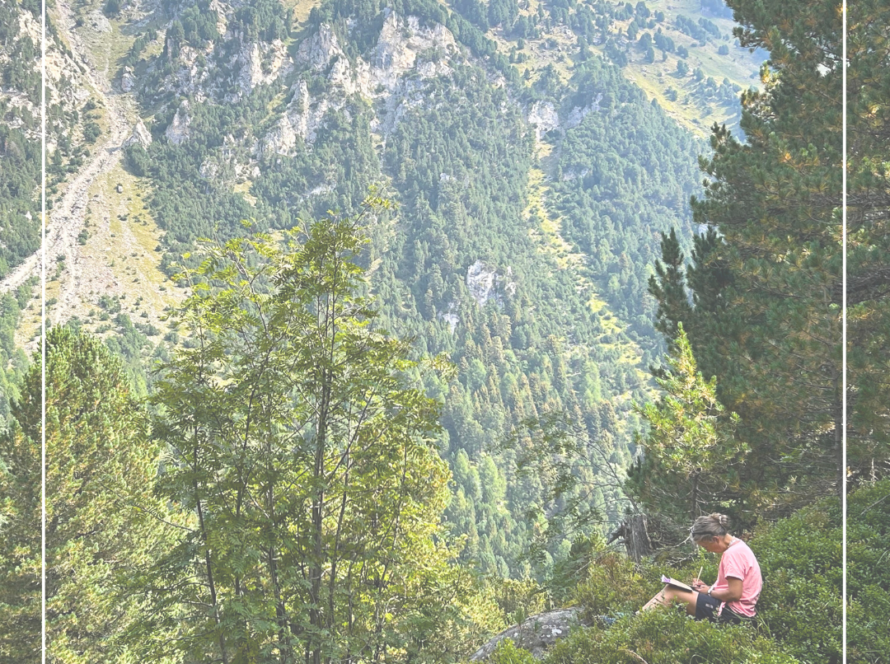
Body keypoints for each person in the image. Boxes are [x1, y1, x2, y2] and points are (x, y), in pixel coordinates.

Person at [639, 513, 762, 624]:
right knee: (684, 591)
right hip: (741, 612)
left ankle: (635, 623)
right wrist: (709, 588)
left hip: (733, 615)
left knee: (672, 591)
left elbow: (735, 594)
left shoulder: (732, 554)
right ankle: (641, 621)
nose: (707, 550)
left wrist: (709, 592)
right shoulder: (739, 546)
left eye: (705, 546)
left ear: (715, 539)